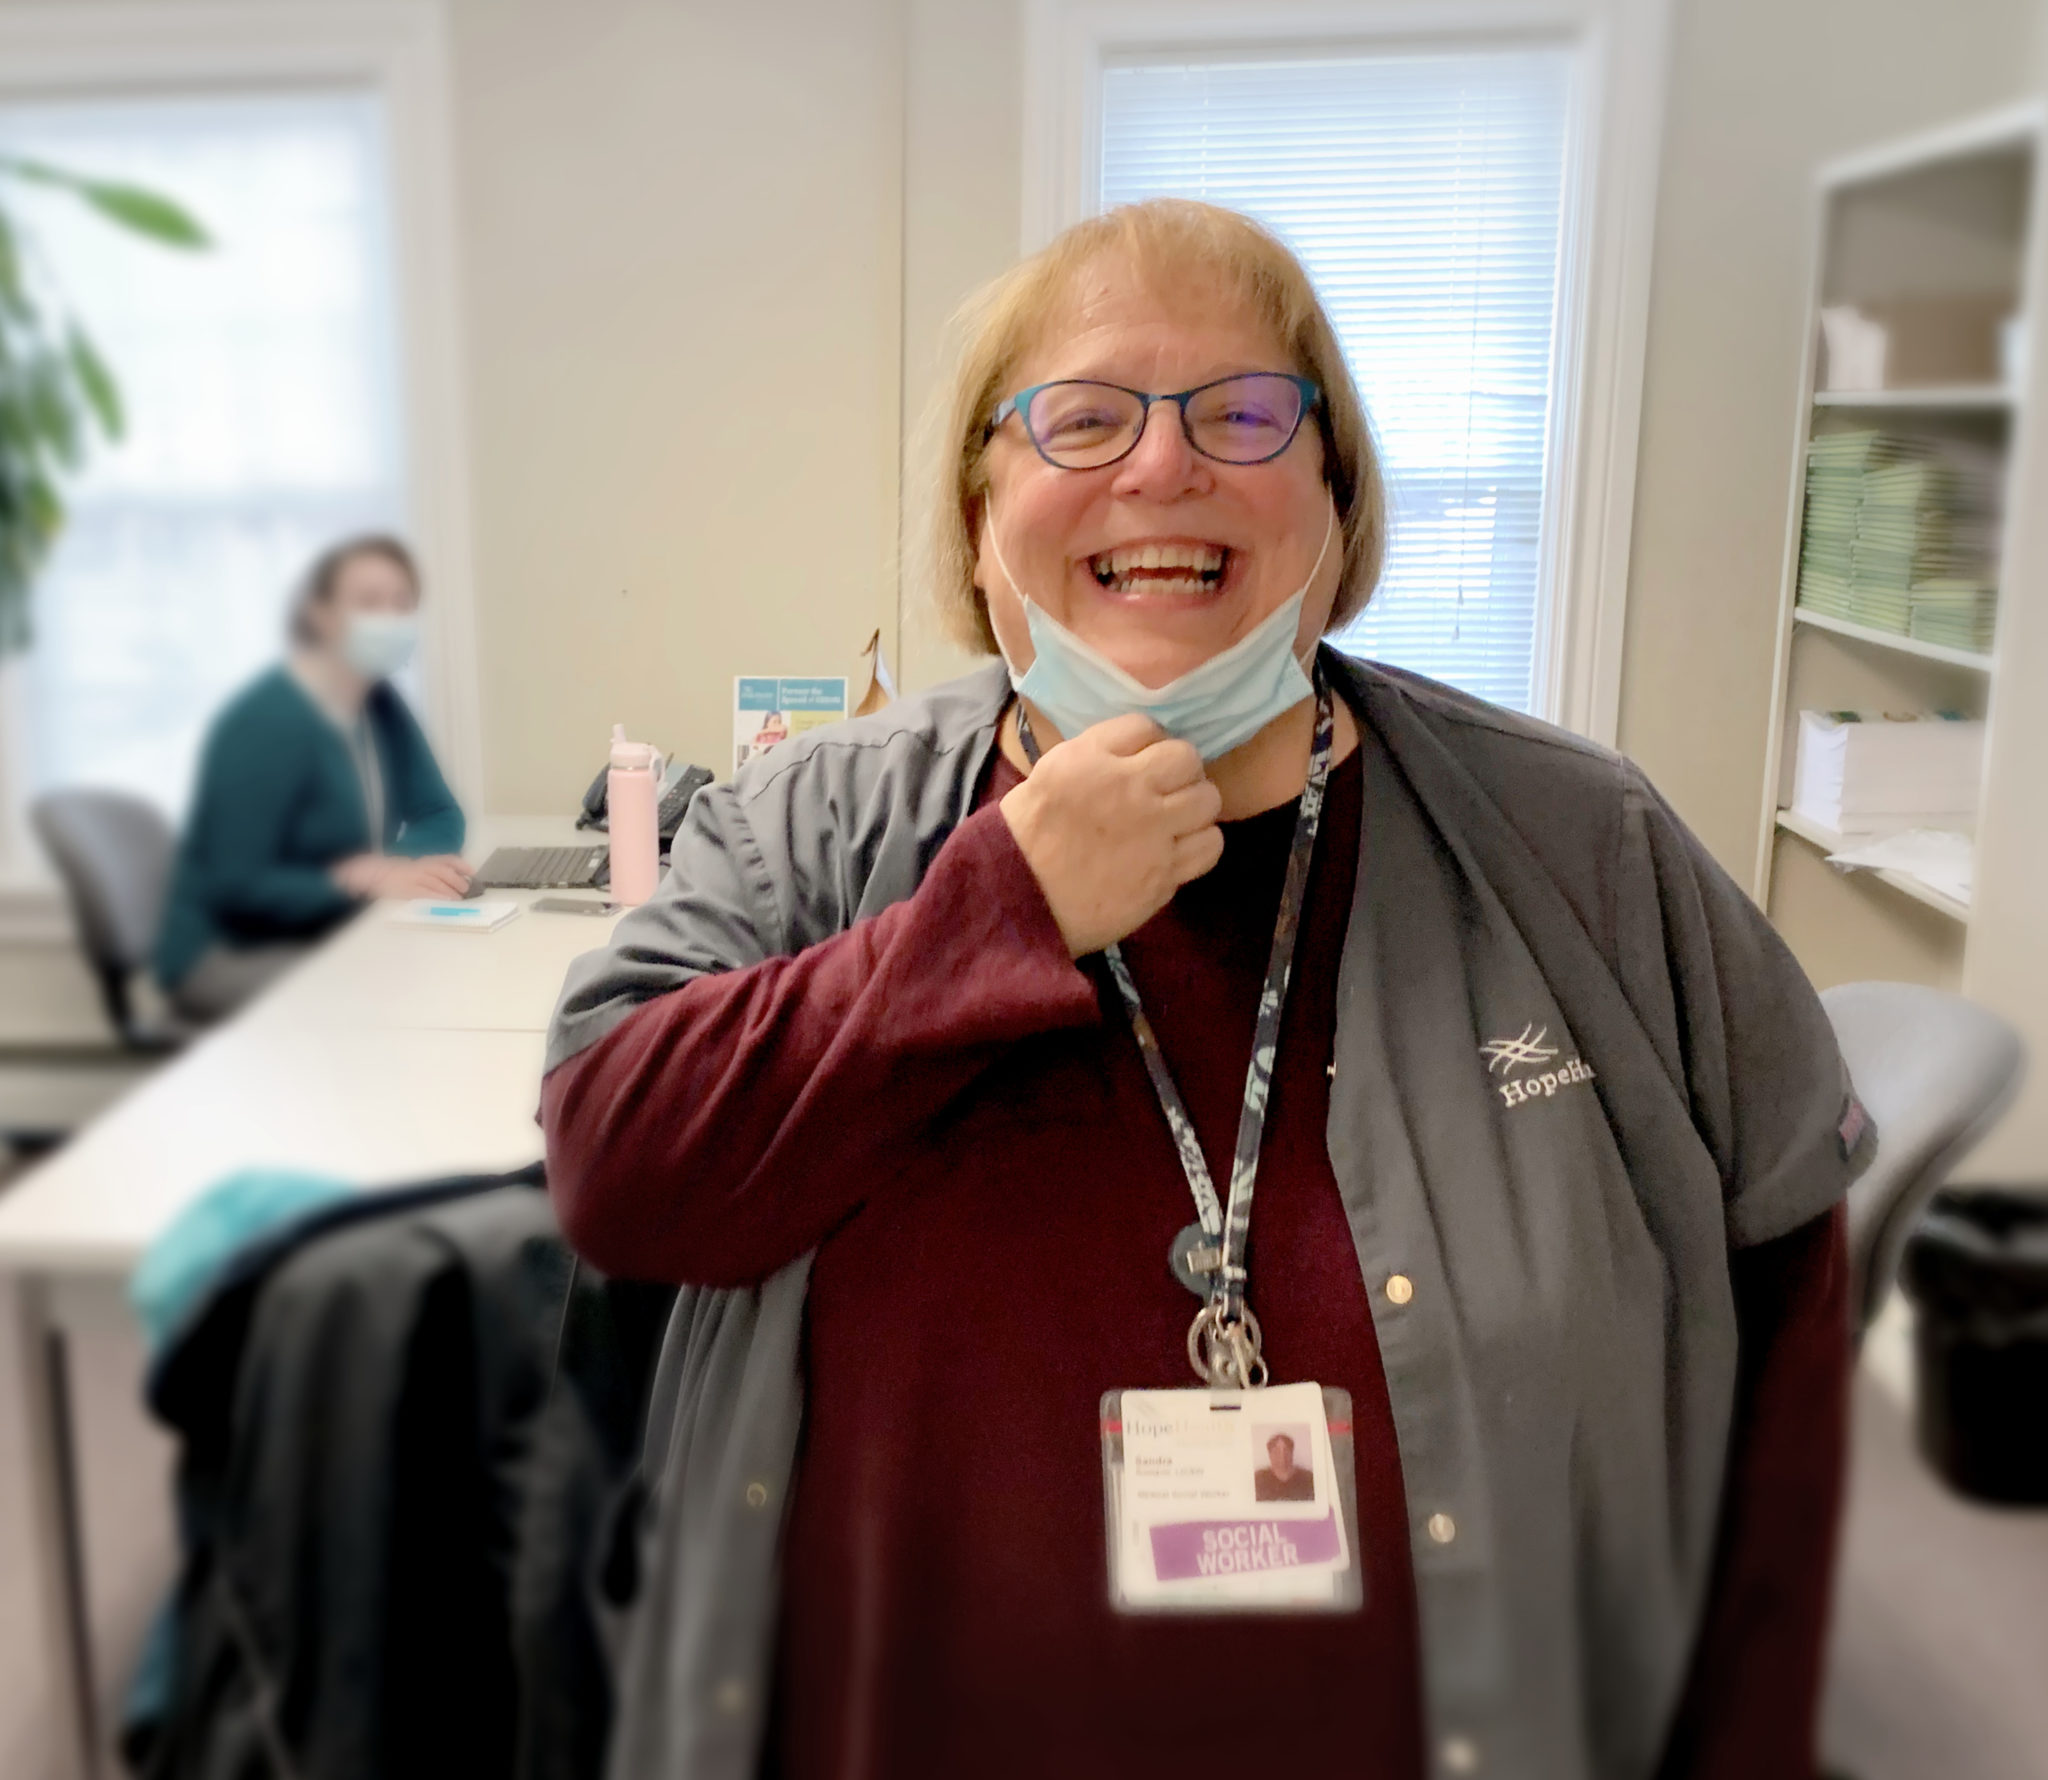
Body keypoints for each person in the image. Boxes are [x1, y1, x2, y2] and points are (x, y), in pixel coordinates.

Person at [544, 200, 1869, 1780]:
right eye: (1082, 418)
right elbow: (620, 1168)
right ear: (981, 523)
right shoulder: (814, 822)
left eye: (1245, 414)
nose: (1162, 470)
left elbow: (1784, 1295)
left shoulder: (1585, 843)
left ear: (1336, 504)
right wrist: (997, 912)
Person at [155, 535, 469, 1023]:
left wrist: (389, 870)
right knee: (392, 997)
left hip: (332, 928)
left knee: (430, 975)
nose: (389, 619)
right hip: (225, 951)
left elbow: (438, 812)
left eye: (402, 604)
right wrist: (359, 883)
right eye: (368, 603)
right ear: (321, 614)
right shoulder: (266, 720)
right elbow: (235, 885)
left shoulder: (380, 704)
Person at [1254, 1432, 1315, 1502]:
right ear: (1270, 1455)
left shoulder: (1308, 1478)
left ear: (1292, 1453)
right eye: (1276, 1451)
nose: (1282, 1456)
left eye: (1286, 1450)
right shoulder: (1258, 1479)